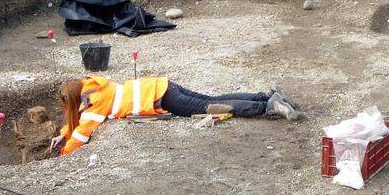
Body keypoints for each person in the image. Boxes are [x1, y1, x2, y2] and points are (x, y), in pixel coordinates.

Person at [51, 75, 301, 155]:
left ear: (74, 100)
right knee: (211, 100)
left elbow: (82, 135)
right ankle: (264, 96)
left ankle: (268, 107)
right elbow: (78, 123)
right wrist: (63, 132)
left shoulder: (93, 105)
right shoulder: (93, 86)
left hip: (163, 98)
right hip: (163, 85)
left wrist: (63, 151)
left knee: (210, 108)